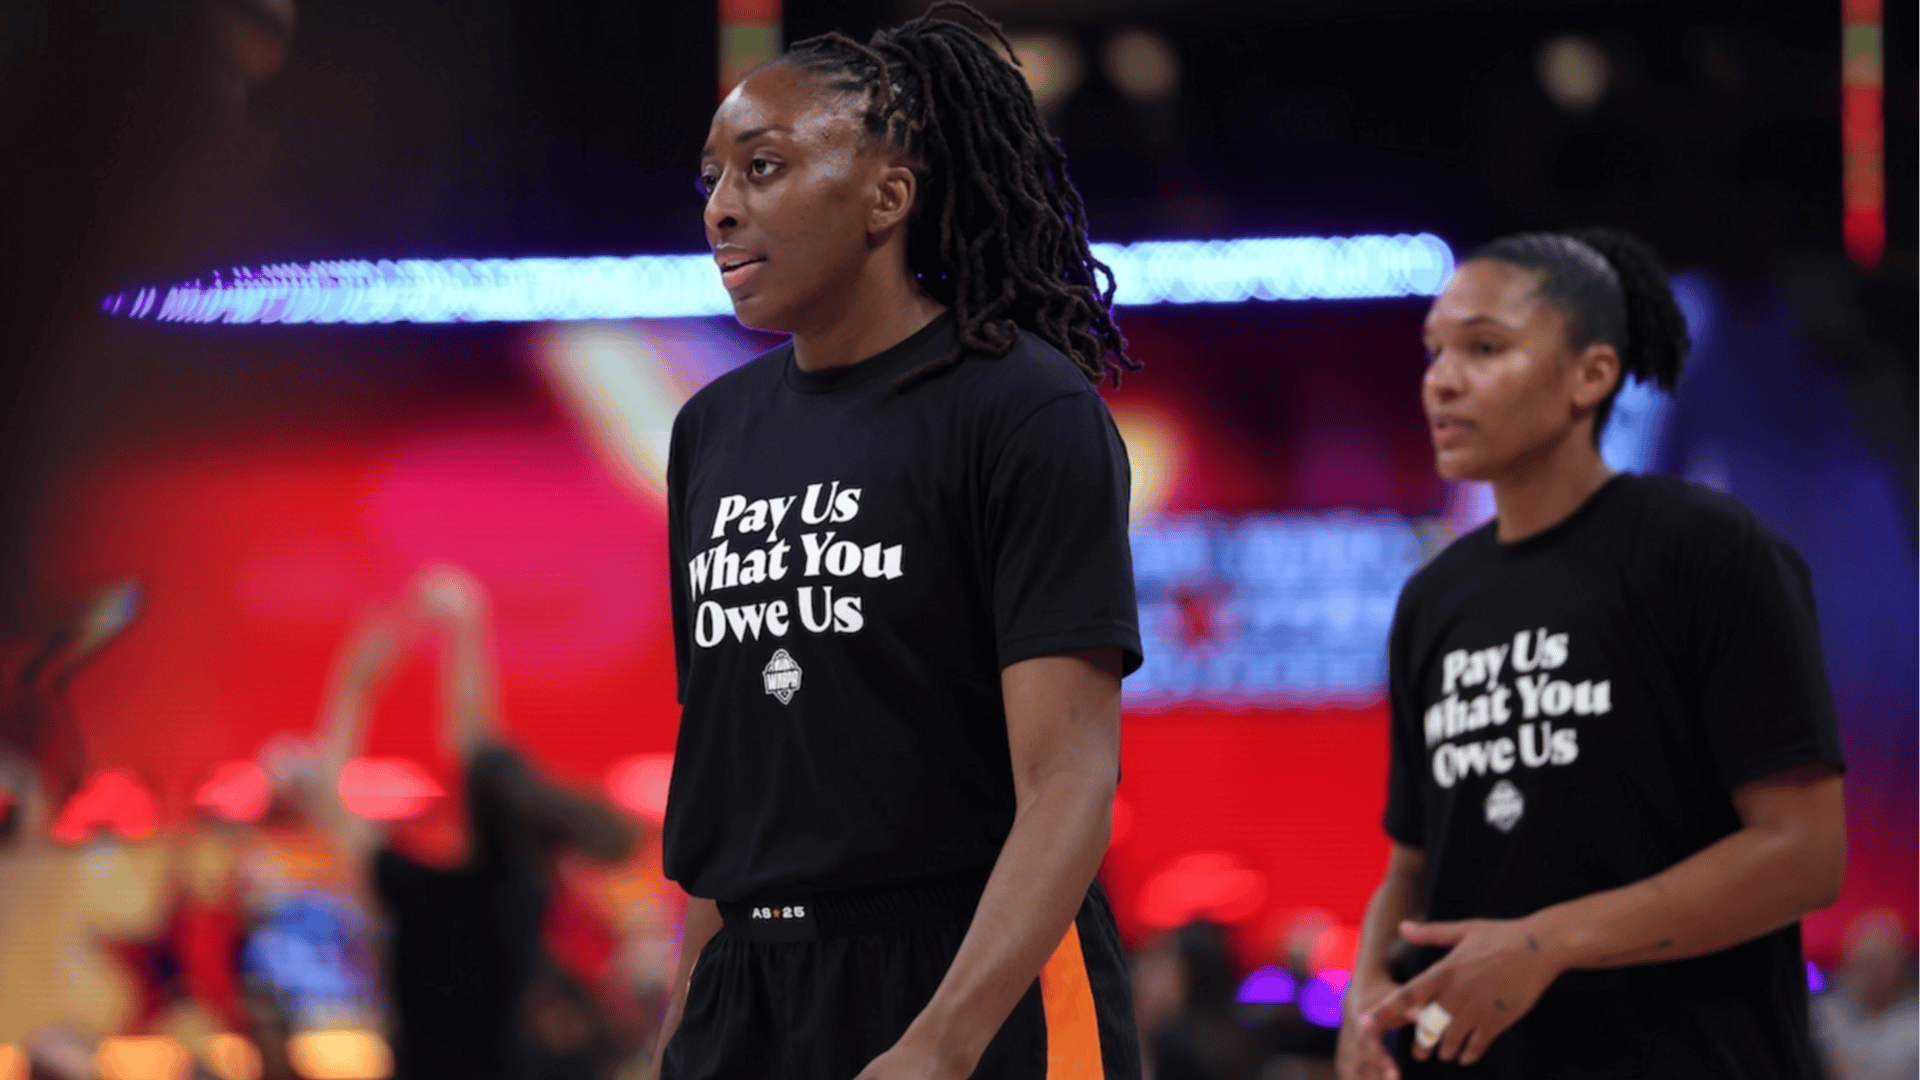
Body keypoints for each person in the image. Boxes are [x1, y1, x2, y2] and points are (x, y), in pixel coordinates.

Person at [653, 5, 1143, 1078]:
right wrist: (686, 1030)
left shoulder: (1022, 411)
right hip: (752, 985)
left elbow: (1068, 781)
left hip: (969, 976)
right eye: (713, 180)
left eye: (765, 167)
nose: (723, 211)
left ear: (888, 195)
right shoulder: (710, 431)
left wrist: (943, 1041)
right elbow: (738, 780)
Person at [1337, 229, 1848, 1077]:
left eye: (1485, 348)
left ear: (1592, 375)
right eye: (1434, 351)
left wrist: (1546, 944)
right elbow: (1414, 865)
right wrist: (1366, 990)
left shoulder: (1709, 550)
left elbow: (1803, 853)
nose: (1442, 380)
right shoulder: (1434, 598)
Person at [313, 566, 635, 1080]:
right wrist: (468, 625)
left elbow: (333, 810)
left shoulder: (420, 894)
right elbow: (477, 753)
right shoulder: (522, 888)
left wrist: (353, 687)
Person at [1811, 910, 1919, 1080]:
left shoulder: (1915, 1022)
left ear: (1902, 965)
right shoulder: (1825, 1014)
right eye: (1865, 962)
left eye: (1882, 964)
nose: (1873, 974)